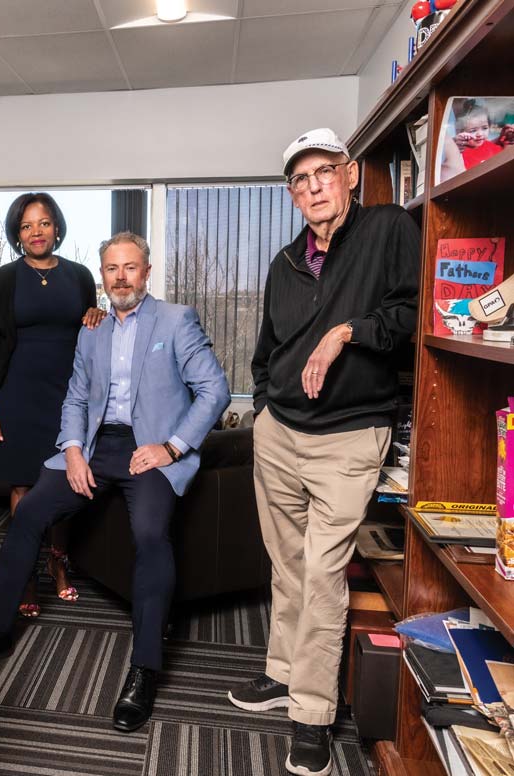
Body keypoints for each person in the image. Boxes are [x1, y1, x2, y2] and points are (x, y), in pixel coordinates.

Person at [0, 232, 230, 733]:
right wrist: (72, 451)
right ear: (102, 276)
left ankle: (144, 668)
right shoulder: (92, 330)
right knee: (29, 513)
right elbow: (76, 397)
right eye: (112, 269)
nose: (120, 277)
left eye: (130, 267)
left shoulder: (176, 320)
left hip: (149, 450)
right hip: (95, 448)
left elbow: (215, 390)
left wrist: (172, 447)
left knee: (150, 535)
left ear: (146, 271)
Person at [228, 128, 419, 776]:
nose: (314, 187)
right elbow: (266, 350)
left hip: (348, 436)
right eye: (301, 180)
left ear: (350, 174)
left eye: (324, 173)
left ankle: (311, 713)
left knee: (322, 572)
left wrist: (345, 332)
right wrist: (264, 409)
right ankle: (284, 672)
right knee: (287, 566)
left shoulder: (388, 229)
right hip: (280, 432)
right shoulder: (284, 262)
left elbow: (410, 316)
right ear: (292, 195)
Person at [0, 193, 104, 617]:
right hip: (17, 396)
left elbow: (91, 327)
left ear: (57, 227)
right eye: (27, 225)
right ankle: (26, 571)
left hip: (68, 397)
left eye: (44, 223)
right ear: (17, 234)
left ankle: (57, 562)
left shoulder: (80, 276)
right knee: (23, 487)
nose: (36, 232)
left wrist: (97, 316)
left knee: (66, 483)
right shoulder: (2, 280)